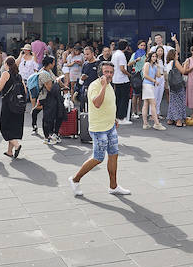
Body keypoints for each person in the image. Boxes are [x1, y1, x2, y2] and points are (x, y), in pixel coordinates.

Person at [70, 59, 129, 197]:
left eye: (111, 72)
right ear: (100, 73)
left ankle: (113, 186)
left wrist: (113, 119)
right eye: (106, 72)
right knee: (98, 158)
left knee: (114, 155)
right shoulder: (95, 86)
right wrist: (103, 86)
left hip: (110, 126)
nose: (109, 75)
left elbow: (108, 104)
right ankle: (75, 179)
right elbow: (97, 103)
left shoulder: (109, 85)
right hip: (99, 129)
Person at [0, 55, 27, 159]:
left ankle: (17, 145)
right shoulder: (18, 75)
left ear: (6, 64)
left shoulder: (6, 74)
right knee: (13, 128)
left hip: (8, 105)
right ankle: (9, 151)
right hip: (18, 105)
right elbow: (24, 91)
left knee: (4, 128)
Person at [141, 48, 166, 130]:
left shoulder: (154, 66)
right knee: (153, 103)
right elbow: (145, 75)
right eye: (153, 56)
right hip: (147, 85)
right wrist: (154, 80)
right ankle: (156, 123)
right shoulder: (147, 64)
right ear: (150, 57)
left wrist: (158, 67)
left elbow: (158, 75)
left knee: (146, 104)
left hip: (150, 85)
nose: (155, 58)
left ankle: (145, 123)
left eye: (155, 56)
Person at [110, 40, 132, 126]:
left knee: (118, 99)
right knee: (124, 99)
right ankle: (122, 117)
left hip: (116, 79)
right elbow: (122, 69)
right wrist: (129, 75)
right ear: (126, 47)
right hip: (123, 79)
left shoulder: (115, 54)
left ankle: (117, 116)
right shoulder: (121, 55)